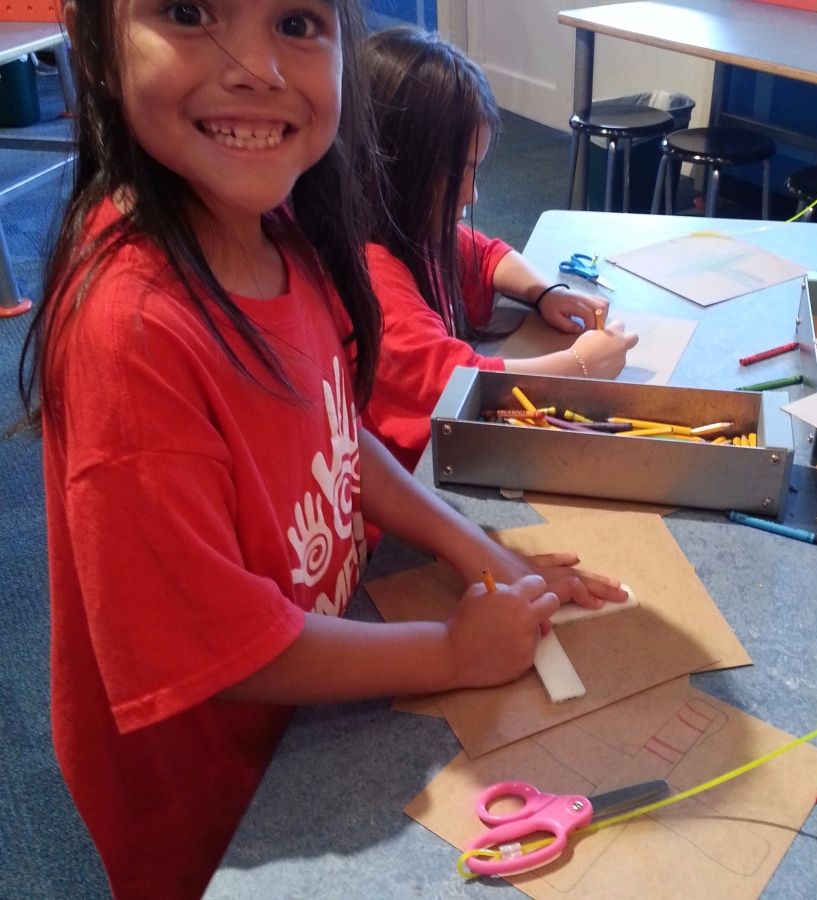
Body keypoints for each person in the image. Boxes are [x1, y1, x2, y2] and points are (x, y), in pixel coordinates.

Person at [18, 3, 627, 898]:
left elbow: (344, 440)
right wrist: (452, 653)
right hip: (220, 799)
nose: (256, 68)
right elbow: (226, 650)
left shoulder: (284, 231)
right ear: (95, 41)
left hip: (315, 708)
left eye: (297, 22)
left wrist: (481, 554)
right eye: (188, 11)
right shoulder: (133, 331)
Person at [362, 27, 640, 472]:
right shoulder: (374, 284)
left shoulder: (412, 228)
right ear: (398, 166)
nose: (472, 194)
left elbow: (485, 253)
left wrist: (545, 292)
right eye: (460, 173)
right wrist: (580, 366)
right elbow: (462, 387)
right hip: (422, 479)